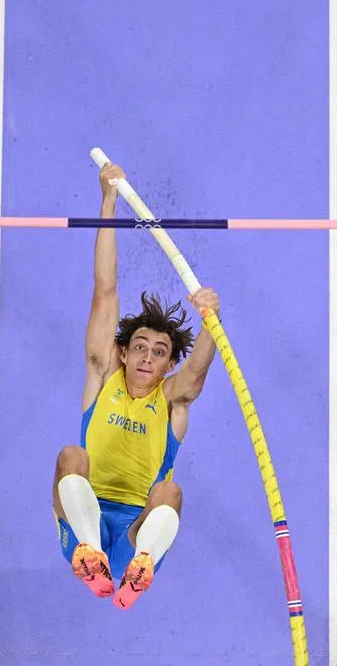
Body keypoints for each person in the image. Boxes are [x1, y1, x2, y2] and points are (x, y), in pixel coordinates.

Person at [51, 159, 219, 610]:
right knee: (71, 456)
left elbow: (197, 376)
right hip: (86, 513)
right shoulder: (102, 375)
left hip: (137, 531)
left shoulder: (172, 401)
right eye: (139, 346)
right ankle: (90, 554)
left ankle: (135, 571)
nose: (146, 357)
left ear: (168, 364)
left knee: (170, 493)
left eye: (159, 352)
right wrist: (108, 201)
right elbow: (104, 291)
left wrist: (209, 322)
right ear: (122, 353)